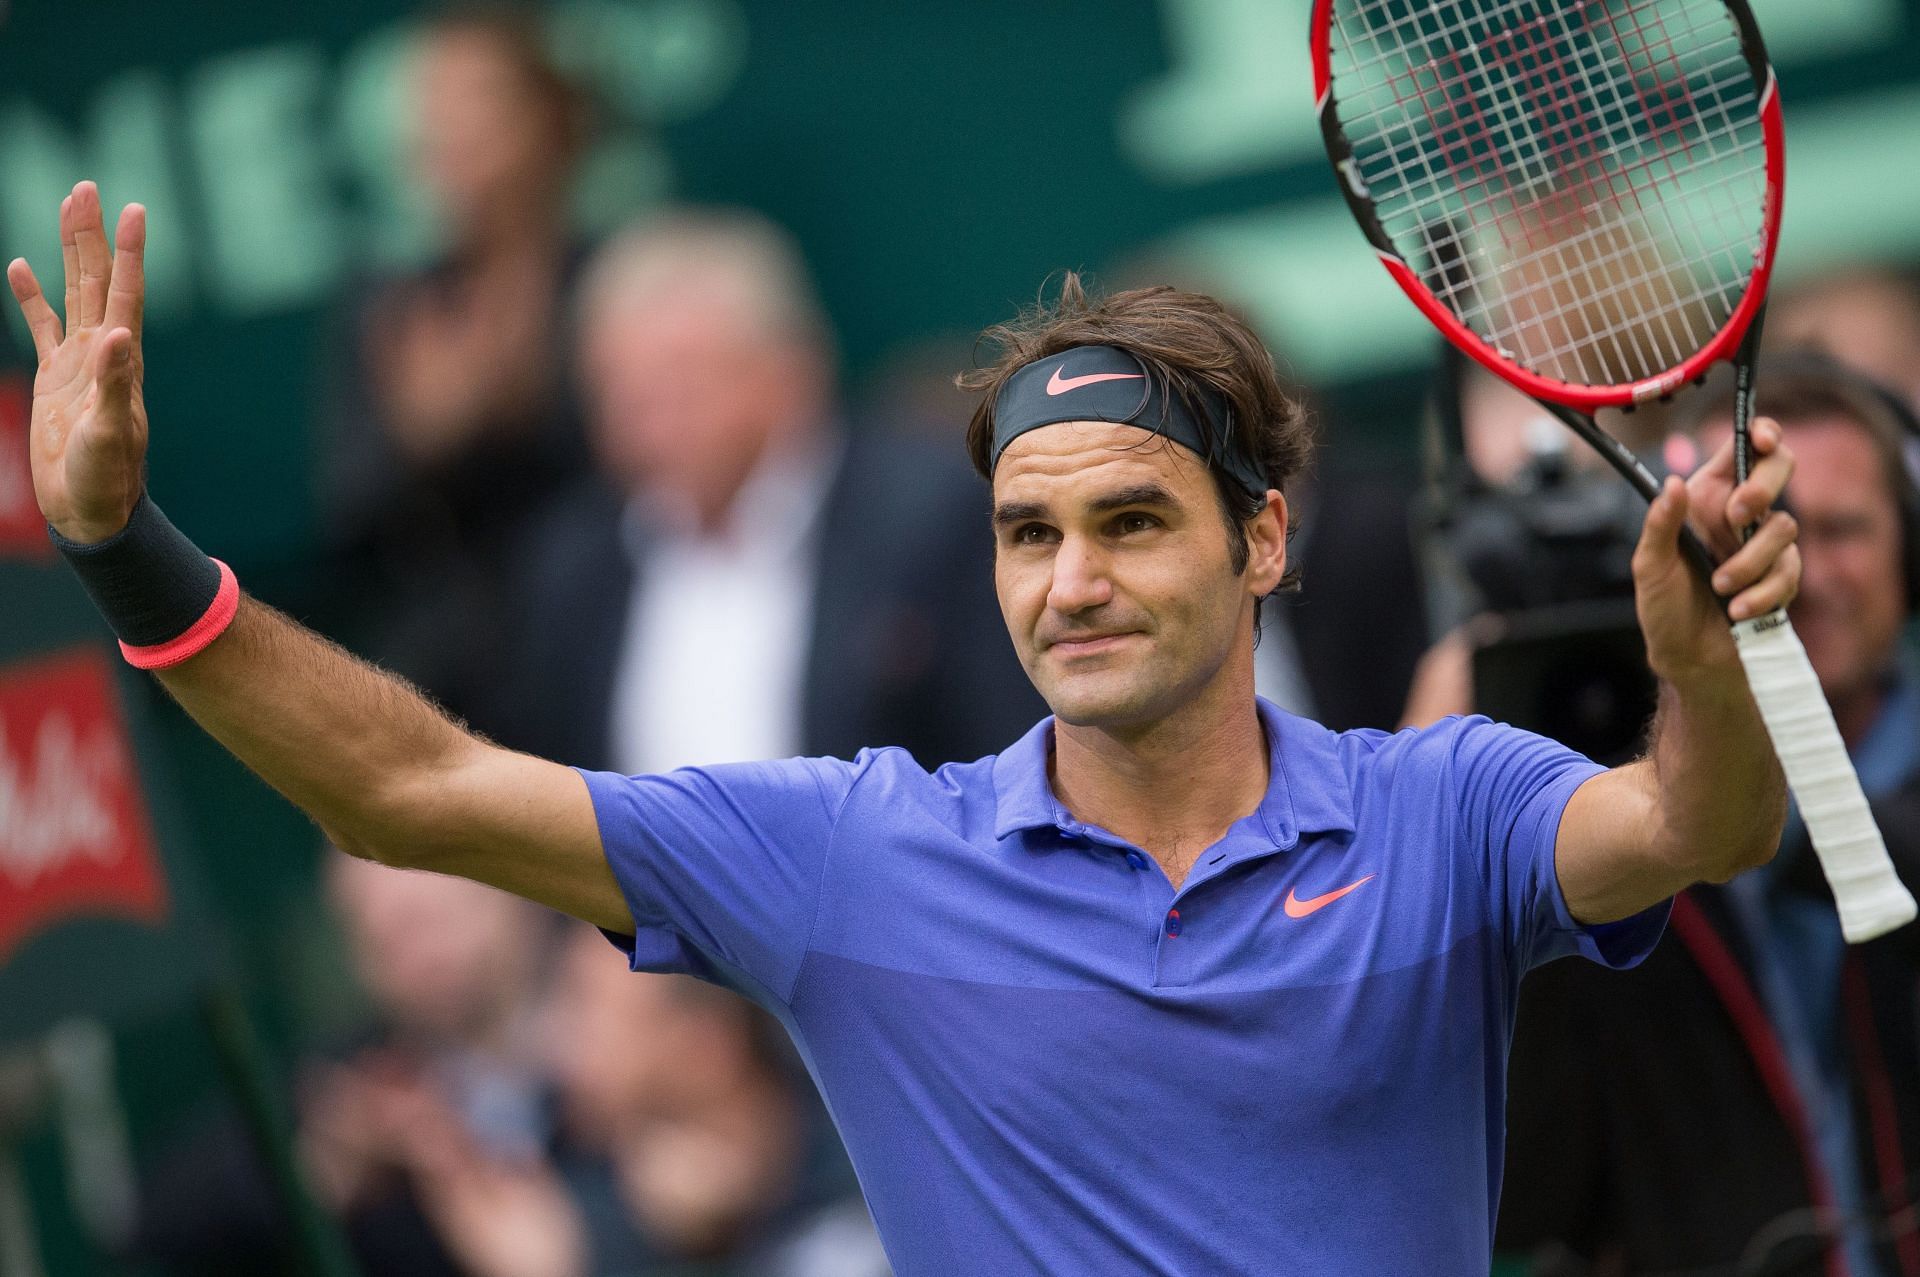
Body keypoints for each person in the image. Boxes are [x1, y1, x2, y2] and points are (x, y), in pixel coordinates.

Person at [14, 183, 1804, 1275]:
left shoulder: (1445, 807)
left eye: (1130, 522)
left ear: (1263, 540)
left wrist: (1705, 670)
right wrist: (121, 546)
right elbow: (410, 789)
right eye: (1030, 534)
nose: (1070, 581)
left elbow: (1697, 827)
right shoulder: (857, 854)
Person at [1495, 354, 1920, 1277]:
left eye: (1842, 530)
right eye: (1759, 531)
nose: (1797, 570)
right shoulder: (1617, 834)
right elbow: (1523, 1198)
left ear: (1911, 551)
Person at [493, 210, 1041, 773]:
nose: (643, 423)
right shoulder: (576, 561)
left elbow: (1006, 758)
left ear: (789, 370)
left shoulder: (929, 519)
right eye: (616, 393)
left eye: (677, 386)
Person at [317, 9, 596, 724]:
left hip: (602, 657)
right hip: (449, 685)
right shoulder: (393, 311)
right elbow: (352, 512)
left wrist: (521, 411)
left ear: (547, 114)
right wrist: (423, 443)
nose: (449, 129)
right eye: (431, 106)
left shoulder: (618, 280)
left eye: (476, 100)